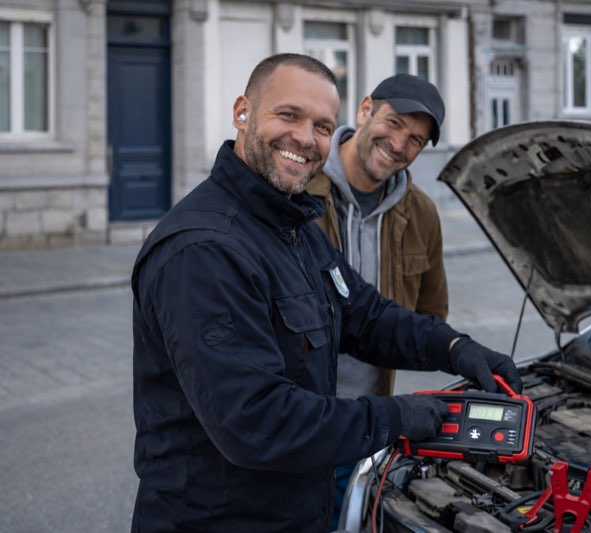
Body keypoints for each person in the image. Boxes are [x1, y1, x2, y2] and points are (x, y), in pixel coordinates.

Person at [130, 53, 522, 532]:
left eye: (321, 126)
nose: (306, 138)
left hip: (295, 507)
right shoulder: (204, 250)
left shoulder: (292, 225)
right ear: (243, 112)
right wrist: (392, 417)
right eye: (288, 115)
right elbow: (256, 420)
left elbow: (365, 315)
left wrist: (456, 348)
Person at [305, 74, 449, 527]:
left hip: (365, 427)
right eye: (394, 123)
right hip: (298, 420)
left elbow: (429, 316)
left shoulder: (421, 213)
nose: (399, 144)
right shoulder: (298, 186)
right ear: (365, 109)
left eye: (415, 140)